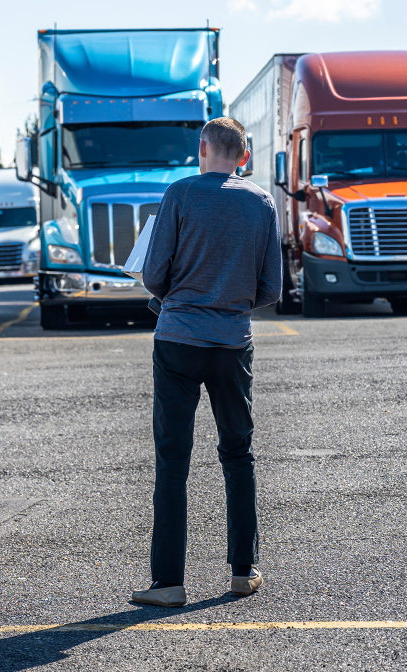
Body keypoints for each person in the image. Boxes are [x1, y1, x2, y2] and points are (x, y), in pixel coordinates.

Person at [130, 116, 282, 607]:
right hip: (232, 343)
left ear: (202, 148)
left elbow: (155, 273)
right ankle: (243, 571)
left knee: (173, 460)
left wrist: (176, 295)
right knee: (238, 455)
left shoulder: (180, 194)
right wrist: (229, 300)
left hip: (177, 339)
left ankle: (168, 583)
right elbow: (271, 288)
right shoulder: (261, 203)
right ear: (244, 154)